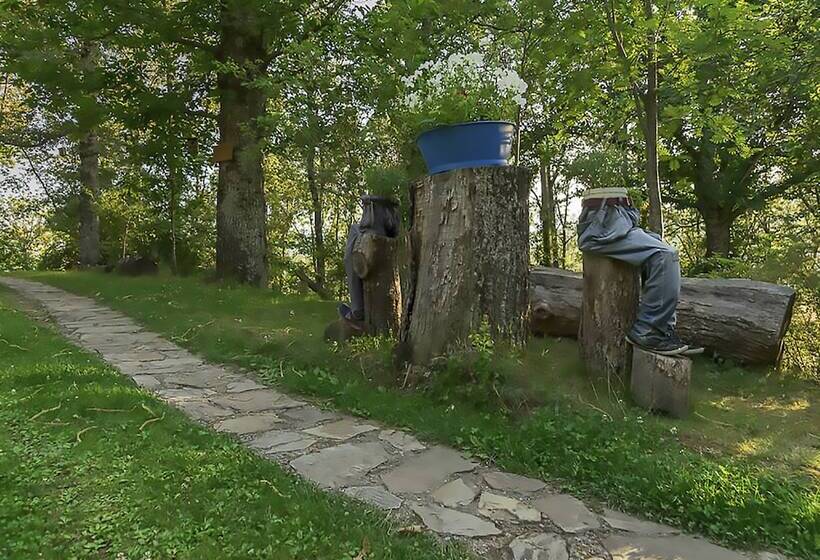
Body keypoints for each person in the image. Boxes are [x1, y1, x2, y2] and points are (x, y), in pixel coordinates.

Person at [577, 187, 703, 356]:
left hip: (616, 214)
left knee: (660, 247)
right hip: (603, 218)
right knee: (665, 255)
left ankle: (662, 330)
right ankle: (648, 331)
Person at [338, 195, 401, 329]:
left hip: (379, 223)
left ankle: (357, 310)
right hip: (390, 222)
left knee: (353, 239)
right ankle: (358, 309)